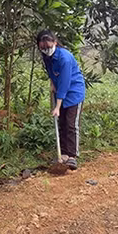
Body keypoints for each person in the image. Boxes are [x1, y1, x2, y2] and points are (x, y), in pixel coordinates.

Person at [37, 29, 85, 170]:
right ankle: (63, 153)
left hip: (74, 92)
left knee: (71, 124)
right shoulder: (46, 56)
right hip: (59, 91)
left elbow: (64, 84)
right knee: (61, 123)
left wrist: (57, 107)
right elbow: (50, 71)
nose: (46, 50)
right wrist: (52, 82)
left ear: (55, 43)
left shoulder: (64, 57)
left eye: (49, 47)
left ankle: (72, 156)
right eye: (43, 48)